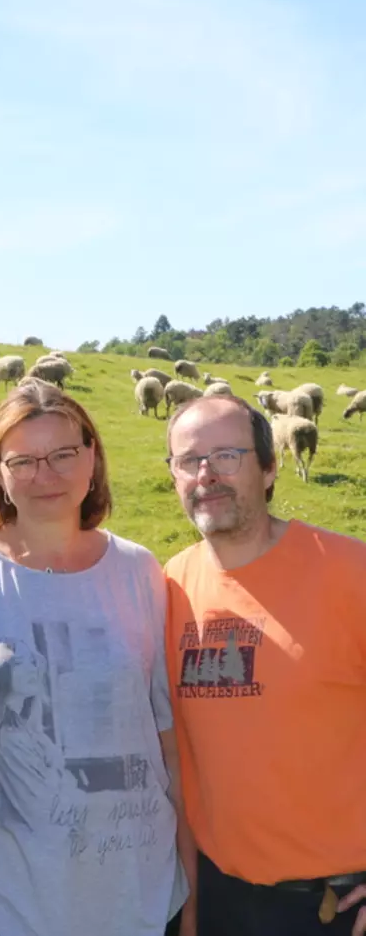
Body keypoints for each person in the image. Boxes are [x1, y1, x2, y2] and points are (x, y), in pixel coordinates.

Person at [0, 379, 193, 936]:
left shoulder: (140, 572)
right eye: (23, 460)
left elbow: (171, 749)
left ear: (92, 456)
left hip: (140, 899)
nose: (45, 474)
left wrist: (192, 895)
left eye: (62, 454)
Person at [163, 394, 366, 936]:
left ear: (270, 465)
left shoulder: (351, 572)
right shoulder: (169, 585)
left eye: (227, 456)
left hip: (335, 904)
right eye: (189, 460)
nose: (207, 475)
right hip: (216, 897)